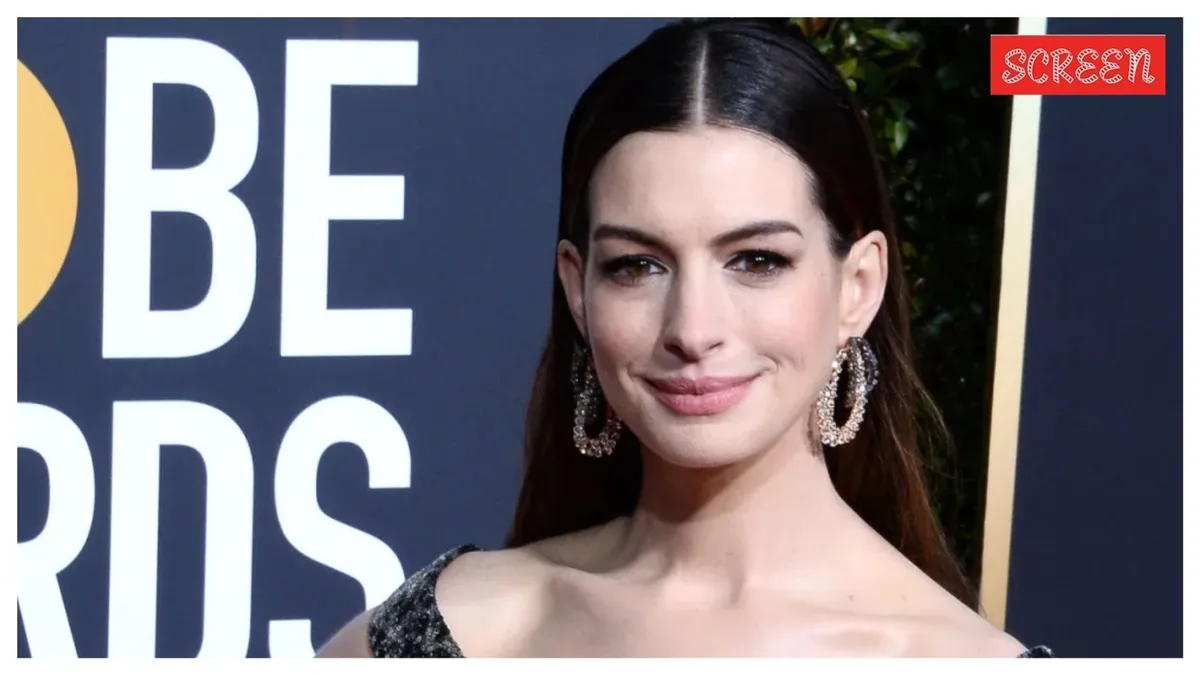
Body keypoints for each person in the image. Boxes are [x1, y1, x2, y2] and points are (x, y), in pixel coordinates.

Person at [317, 18, 1053, 658]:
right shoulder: (448, 632)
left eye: (757, 260)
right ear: (578, 288)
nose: (693, 330)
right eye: (638, 265)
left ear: (858, 286)